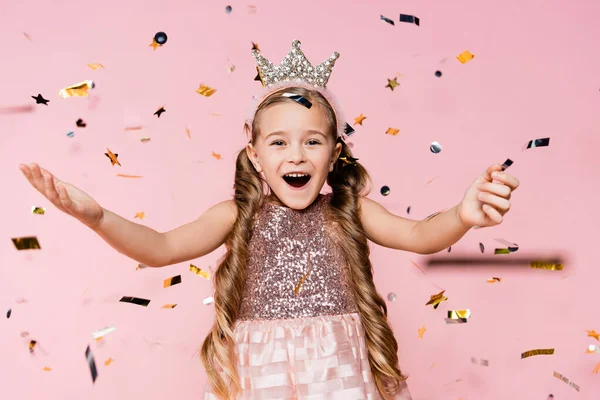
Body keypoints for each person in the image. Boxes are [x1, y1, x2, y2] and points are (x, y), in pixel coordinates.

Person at [19, 40, 520, 400]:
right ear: (255, 154)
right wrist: (97, 216)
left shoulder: (347, 211)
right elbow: (160, 248)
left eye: (312, 140)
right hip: (263, 378)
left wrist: (463, 214)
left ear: (334, 153)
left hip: (338, 374)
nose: (295, 154)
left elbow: (419, 235)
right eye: (278, 142)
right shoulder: (237, 216)